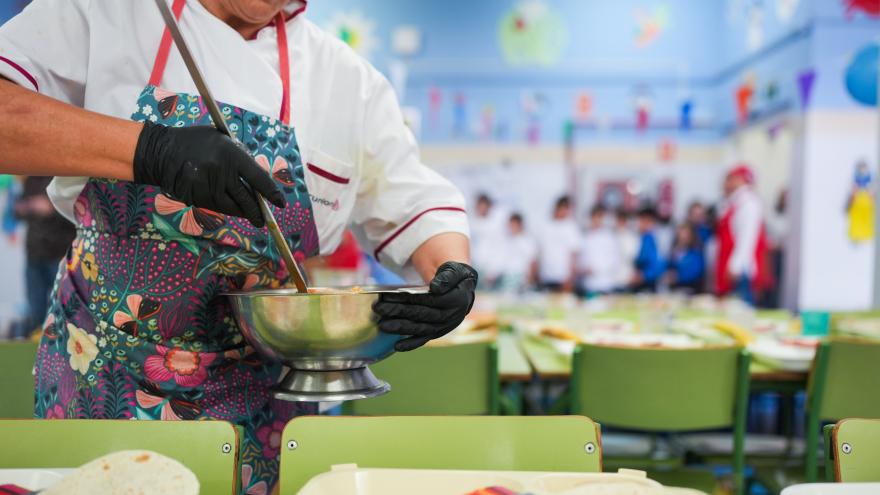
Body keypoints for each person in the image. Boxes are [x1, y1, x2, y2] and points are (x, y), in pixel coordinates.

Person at [0, 1, 475, 491]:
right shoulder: (105, 11)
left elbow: (418, 204)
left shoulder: (348, 82)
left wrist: (452, 274)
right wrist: (148, 150)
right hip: (102, 383)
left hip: (266, 404)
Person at [13, 176, 77, 338]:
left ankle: (62, 341)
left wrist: (51, 208)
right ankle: (35, 340)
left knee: (61, 305)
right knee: (36, 306)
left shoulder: (62, 178)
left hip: (59, 254)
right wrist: (28, 207)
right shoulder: (30, 180)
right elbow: (16, 211)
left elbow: (76, 213)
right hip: (33, 254)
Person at [716, 164, 772, 304]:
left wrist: (735, 265)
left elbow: (747, 238)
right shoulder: (734, 203)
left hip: (740, 271)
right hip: (733, 266)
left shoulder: (748, 203)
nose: (725, 183)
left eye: (730, 179)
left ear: (740, 180)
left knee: (740, 311)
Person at [536, 195, 580, 292]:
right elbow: (540, 252)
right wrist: (538, 273)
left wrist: (571, 277)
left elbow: (573, 254)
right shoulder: (545, 226)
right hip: (546, 275)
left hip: (563, 277)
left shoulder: (571, 227)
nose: (566, 212)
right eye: (565, 209)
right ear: (558, 207)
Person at [577, 205, 620, 296]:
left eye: (599, 217)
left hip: (605, 284)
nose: (596, 220)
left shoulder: (609, 237)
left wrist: (597, 269)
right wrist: (585, 269)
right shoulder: (585, 237)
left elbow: (614, 260)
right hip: (588, 285)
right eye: (594, 217)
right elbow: (579, 259)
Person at [469, 193, 507, 289]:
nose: (481, 209)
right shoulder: (470, 222)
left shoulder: (496, 225)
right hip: (473, 268)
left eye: (484, 206)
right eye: (479, 206)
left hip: (490, 271)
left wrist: (493, 272)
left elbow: (500, 248)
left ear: (489, 206)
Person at [497, 213, 537, 292]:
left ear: (520, 225)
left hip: (521, 279)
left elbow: (532, 262)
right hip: (507, 278)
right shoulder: (508, 240)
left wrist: (529, 281)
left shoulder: (528, 241)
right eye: (510, 225)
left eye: (513, 225)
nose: (511, 228)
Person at [631, 206, 665, 292]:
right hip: (634, 282)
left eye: (647, 221)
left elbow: (659, 265)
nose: (643, 224)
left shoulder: (655, 239)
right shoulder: (636, 237)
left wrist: (644, 276)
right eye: (641, 221)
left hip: (648, 284)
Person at [666, 223, 705, 294]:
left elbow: (696, 272)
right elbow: (668, 267)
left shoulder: (695, 253)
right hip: (673, 289)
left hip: (689, 289)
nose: (683, 237)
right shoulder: (673, 251)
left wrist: (678, 277)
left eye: (686, 235)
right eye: (681, 234)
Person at [613, 208, 639, 291]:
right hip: (611, 280)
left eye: (622, 220)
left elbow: (633, 258)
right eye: (618, 220)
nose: (620, 223)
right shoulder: (610, 237)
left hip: (626, 279)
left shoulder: (631, 238)